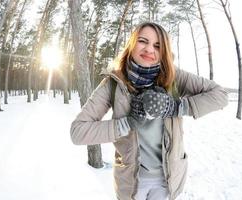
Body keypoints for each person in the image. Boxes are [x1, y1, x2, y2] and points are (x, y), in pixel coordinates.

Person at [70, 22, 228, 200]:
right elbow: (78, 132)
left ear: (164, 51)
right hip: (131, 183)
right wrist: (127, 123)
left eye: (158, 45)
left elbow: (220, 95)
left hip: (167, 181)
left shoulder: (174, 77)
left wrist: (175, 107)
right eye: (143, 41)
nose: (149, 49)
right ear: (132, 44)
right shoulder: (113, 83)